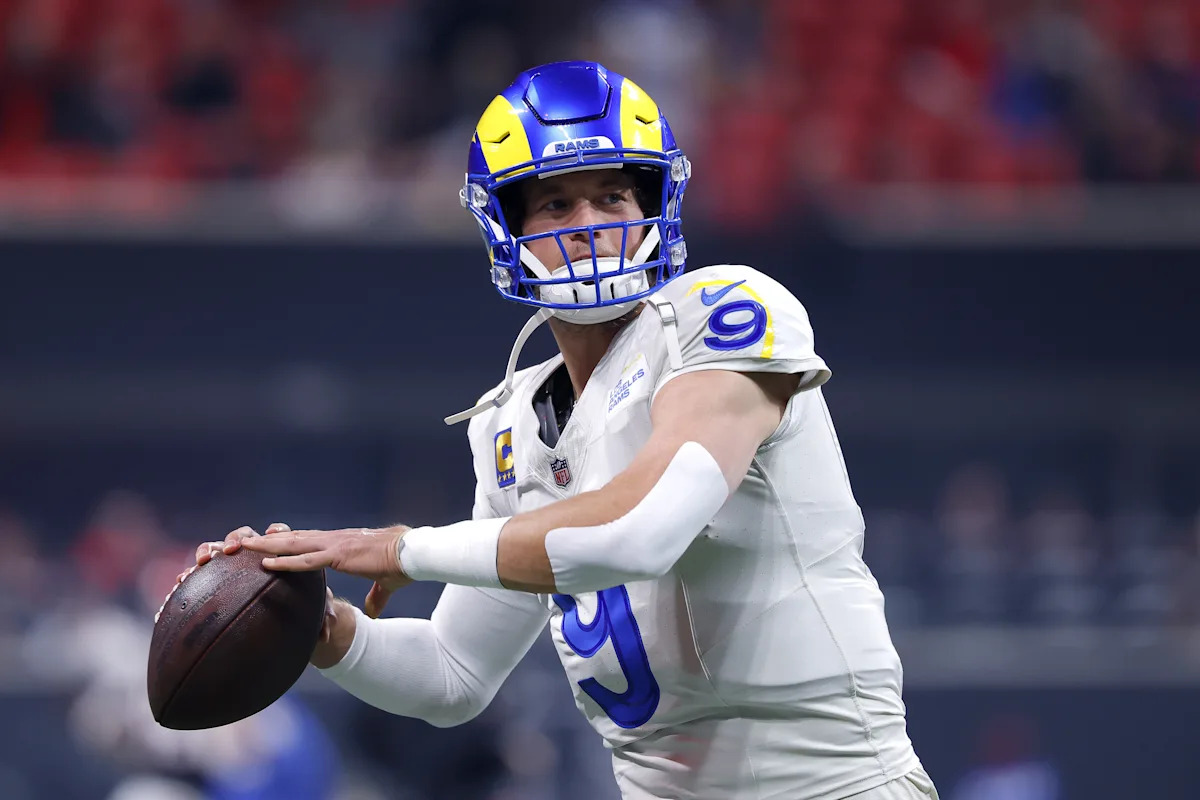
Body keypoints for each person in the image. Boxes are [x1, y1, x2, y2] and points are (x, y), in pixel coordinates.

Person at [184, 61, 937, 800]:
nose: (591, 228)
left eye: (612, 196)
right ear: (505, 227)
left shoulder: (722, 314)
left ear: (654, 201)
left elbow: (641, 531)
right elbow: (453, 674)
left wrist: (405, 548)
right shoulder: (510, 423)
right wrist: (320, 628)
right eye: (555, 205)